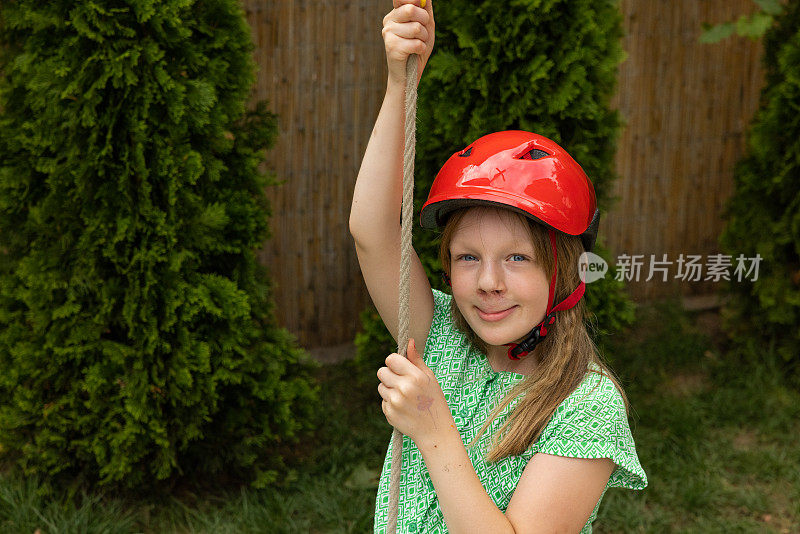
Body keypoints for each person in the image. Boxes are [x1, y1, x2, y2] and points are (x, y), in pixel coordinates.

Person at [349, 1, 647, 532]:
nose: (488, 283)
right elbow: (372, 232)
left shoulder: (587, 406)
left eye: (517, 258)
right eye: (468, 257)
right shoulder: (438, 334)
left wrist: (435, 430)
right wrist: (400, 83)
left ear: (564, 270)